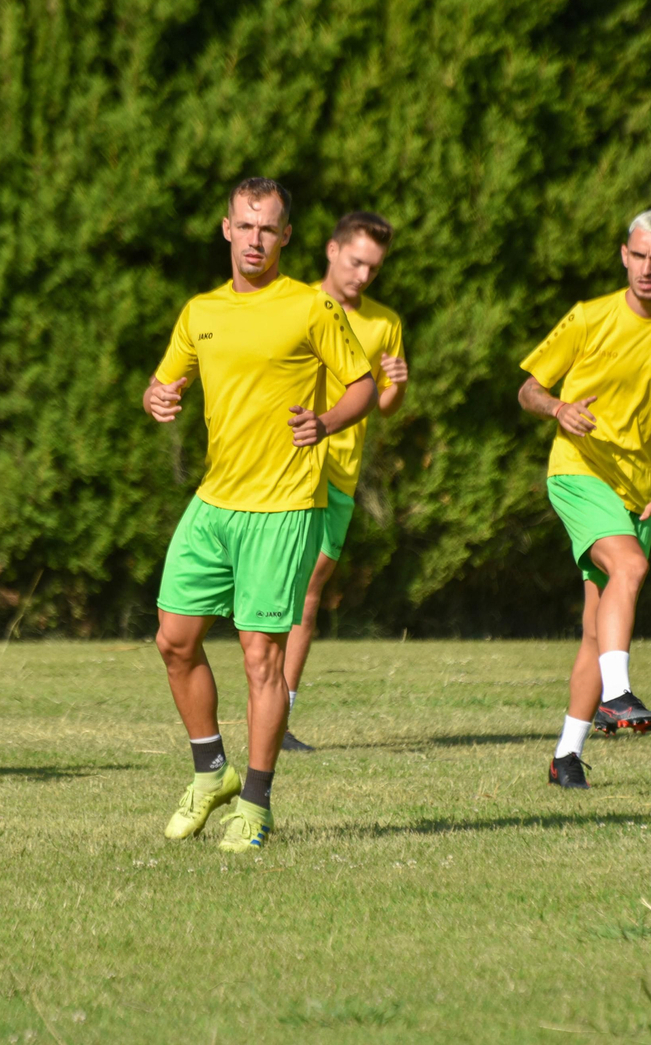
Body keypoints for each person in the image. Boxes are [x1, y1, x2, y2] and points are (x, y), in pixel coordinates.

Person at [143, 177, 376, 851]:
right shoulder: (200, 311)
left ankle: (256, 802)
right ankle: (211, 769)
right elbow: (167, 381)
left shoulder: (310, 307)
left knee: (259, 659)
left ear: (286, 237)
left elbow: (362, 385)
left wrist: (326, 421)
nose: (255, 239)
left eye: (268, 229)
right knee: (174, 639)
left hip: (283, 507)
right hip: (215, 502)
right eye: (245, 226)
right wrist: (158, 399)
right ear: (226, 229)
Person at [517, 209, 651, 789]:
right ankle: (618, 695)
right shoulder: (588, 317)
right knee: (630, 564)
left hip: (638, 491)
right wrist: (558, 408)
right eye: (639, 256)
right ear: (624, 255)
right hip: (578, 472)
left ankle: (566, 757)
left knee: (597, 629)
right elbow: (528, 387)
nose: (647, 269)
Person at [279, 211, 408, 752]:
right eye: (356, 261)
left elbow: (382, 405)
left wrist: (396, 387)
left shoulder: (384, 323)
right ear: (331, 251)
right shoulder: (290, 303)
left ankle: (277, 721)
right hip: (286, 465)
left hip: (340, 474)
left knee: (309, 596)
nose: (362, 275)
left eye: (373, 268)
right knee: (274, 591)